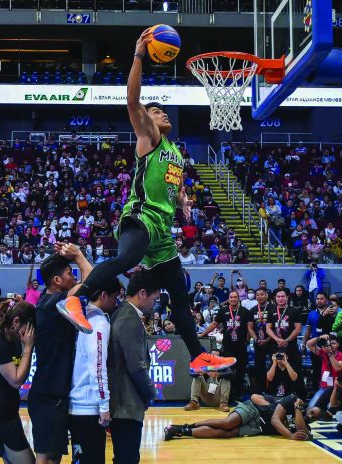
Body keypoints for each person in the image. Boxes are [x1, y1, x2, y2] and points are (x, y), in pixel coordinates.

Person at [56, 28, 234, 376]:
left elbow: (175, 184)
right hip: (140, 216)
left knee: (180, 294)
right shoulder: (149, 137)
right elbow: (132, 100)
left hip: (162, 230)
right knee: (127, 258)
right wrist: (138, 55)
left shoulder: (175, 154)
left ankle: (198, 355)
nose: (161, 113)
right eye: (155, 111)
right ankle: (75, 299)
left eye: (163, 110)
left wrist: (183, 199)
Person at [29, 244, 93, 464]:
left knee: (54, 457)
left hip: (56, 393)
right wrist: (78, 256)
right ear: (57, 281)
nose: (74, 276)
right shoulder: (55, 304)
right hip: (48, 395)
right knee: (46, 459)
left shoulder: (47, 302)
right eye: (69, 273)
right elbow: (92, 283)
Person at [108, 270, 159, 464]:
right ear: (143, 293)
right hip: (126, 403)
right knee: (127, 459)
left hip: (121, 402)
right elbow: (136, 366)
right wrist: (151, 393)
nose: (154, 304)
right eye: (153, 298)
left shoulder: (122, 313)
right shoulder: (129, 319)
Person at [69, 277, 122, 464]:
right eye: (114, 297)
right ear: (104, 295)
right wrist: (104, 405)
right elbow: (97, 365)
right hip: (88, 408)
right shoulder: (98, 323)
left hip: (80, 406)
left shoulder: (83, 317)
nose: (116, 302)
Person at [0, 301, 36, 464]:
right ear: (16, 322)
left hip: (10, 414)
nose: (29, 334)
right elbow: (16, 380)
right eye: (29, 329)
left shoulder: (12, 341)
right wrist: (28, 348)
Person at [164, 394, 312, 440]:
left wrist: (299, 411)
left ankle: (179, 431)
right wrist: (291, 435)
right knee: (227, 423)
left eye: (314, 416)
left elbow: (303, 432)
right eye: (313, 411)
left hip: (258, 428)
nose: (312, 415)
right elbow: (274, 420)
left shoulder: (304, 424)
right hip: (254, 410)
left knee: (226, 434)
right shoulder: (291, 399)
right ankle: (187, 425)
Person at [200, 291, 250, 401]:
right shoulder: (223, 310)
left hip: (241, 346)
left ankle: (238, 394)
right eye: (231, 297)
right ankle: (229, 394)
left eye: (235, 297)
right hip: (228, 346)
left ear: (238, 298)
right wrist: (203, 334)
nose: (233, 299)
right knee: (228, 371)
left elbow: (249, 327)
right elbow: (214, 324)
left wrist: (247, 340)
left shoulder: (245, 311)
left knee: (240, 371)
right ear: (228, 299)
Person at [266, 288, 304, 396]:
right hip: (275, 345)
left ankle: (297, 395)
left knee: (294, 370)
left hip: (290, 346)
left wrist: (286, 340)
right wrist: (277, 339)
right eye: (278, 296)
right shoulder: (271, 310)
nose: (281, 298)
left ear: (287, 297)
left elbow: (298, 328)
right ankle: (275, 394)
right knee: (275, 369)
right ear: (275, 298)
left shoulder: (294, 310)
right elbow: (268, 328)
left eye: (283, 296)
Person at [304, 334, 342, 415]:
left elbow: (337, 368)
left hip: (335, 389)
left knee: (330, 409)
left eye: (333, 343)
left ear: (338, 344)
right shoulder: (323, 353)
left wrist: (330, 354)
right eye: (329, 343)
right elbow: (309, 344)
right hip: (323, 387)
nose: (331, 346)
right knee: (311, 407)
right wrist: (319, 337)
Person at [303, 292, 337, 387]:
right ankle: (315, 391)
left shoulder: (333, 313)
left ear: (326, 300)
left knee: (329, 369)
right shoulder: (312, 314)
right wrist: (304, 344)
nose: (319, 300)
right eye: (317, 299)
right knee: (316, 369)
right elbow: (308, 331)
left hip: (329, 346)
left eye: (321, 299)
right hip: (315, 345)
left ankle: (329, 390)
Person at [247, 288, 274, 393]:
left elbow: (276, 327)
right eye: (257, 294)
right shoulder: (253, 310)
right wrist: (257, 339)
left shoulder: (273, 308)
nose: (259, 296)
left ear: (266, 295)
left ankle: (273, 388)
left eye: (261, 294)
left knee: (274, 364)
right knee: (259, 367)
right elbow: (250, 327)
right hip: (258, 342)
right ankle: (261, 389)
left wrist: (267, 339)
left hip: (271, 342)